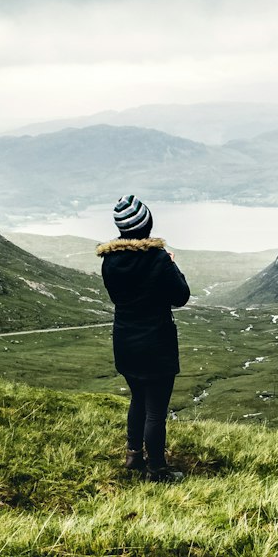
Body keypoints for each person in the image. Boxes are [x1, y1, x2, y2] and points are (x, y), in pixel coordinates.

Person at [96, 195, 190, 482]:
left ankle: (134, 455)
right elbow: (181, 296)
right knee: (156, 411)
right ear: (146, 224)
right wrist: (172, 265)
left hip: (125, 342)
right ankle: (157, 469)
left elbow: (120, 296)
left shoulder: (109, 262)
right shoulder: (158, 259)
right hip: (156, 343)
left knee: (138, 398)